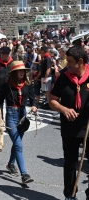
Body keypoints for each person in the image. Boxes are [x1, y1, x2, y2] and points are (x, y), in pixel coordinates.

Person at [0, 61, 38, 184]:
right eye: (19, 70)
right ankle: (24, 175)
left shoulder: (28, 84)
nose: (22, 72)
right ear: (14, 72)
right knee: (18, 144)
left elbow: (33, 99)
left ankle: (10, 164)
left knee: (16, 143)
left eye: (23, 70)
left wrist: (34, 106)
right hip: (11, 117)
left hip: (23, 116)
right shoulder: (6, 85)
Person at [49, 46, 89, 200]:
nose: (67, 65)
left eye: (70, 62)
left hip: (88, 129)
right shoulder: (64, 77)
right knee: (71, 164)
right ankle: (70, 195)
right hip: (69, 129)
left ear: (80, 61)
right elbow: (52, 100)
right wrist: (64, 109)